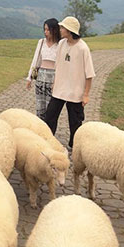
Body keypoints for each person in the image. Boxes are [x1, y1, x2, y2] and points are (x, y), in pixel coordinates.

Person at [44, 16, 95, 149]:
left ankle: (75, 146)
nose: (60, 30)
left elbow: (89, 74)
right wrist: (55, 82)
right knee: (49, 116)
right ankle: (47, 141)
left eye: (62, 28)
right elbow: (58, 65)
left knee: (75, 122)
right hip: (59, 89)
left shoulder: (83, 48)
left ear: (69, 30)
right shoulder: (61, 44)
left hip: (75, 92)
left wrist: (86, 94)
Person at [26, 18, 61, 121]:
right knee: (40, 107)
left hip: (53, 79)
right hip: (41, 78)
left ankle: (49, 129)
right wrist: (30, 78)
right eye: (44, 29)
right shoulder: (41, 42)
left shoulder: (60, 44)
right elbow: (36, 61)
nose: (46, 32)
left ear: (54, 30)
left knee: (51, 108)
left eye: (48, 30)